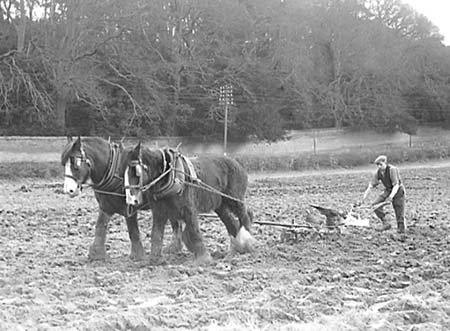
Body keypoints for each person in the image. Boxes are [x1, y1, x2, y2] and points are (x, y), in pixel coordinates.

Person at [360, 155, 406, 233]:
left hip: (398, 191)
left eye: (380, 164)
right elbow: (370, 186)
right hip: (388, 190)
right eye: (377, 165)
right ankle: (386, 223)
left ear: (385, 162)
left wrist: (391, 196)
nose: (379, 166)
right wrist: (363, 199)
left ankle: (401, 229)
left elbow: (396, 185)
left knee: (398, 209)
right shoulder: (378, 173)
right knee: (375, 205)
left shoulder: (392, 170)